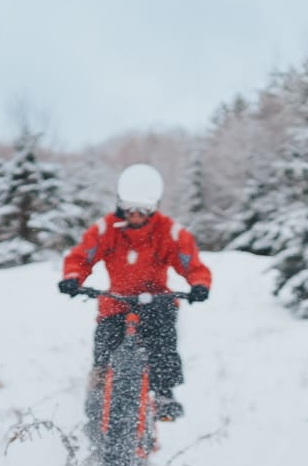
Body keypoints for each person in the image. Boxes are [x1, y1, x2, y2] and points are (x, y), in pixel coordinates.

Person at [60, 163, 212, 434]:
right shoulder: (106, 229)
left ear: (153, 208)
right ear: (121, 205)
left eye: (143, 209)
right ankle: (97, 401)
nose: (136, 214)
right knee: (103, 353)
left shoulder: (169, 231)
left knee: (163, 341)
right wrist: (73, 278)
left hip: (156, 301)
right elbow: (81, 256)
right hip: (115, 302)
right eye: (130, 208)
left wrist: (199, 284)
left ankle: (164, 393)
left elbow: (191, 264)